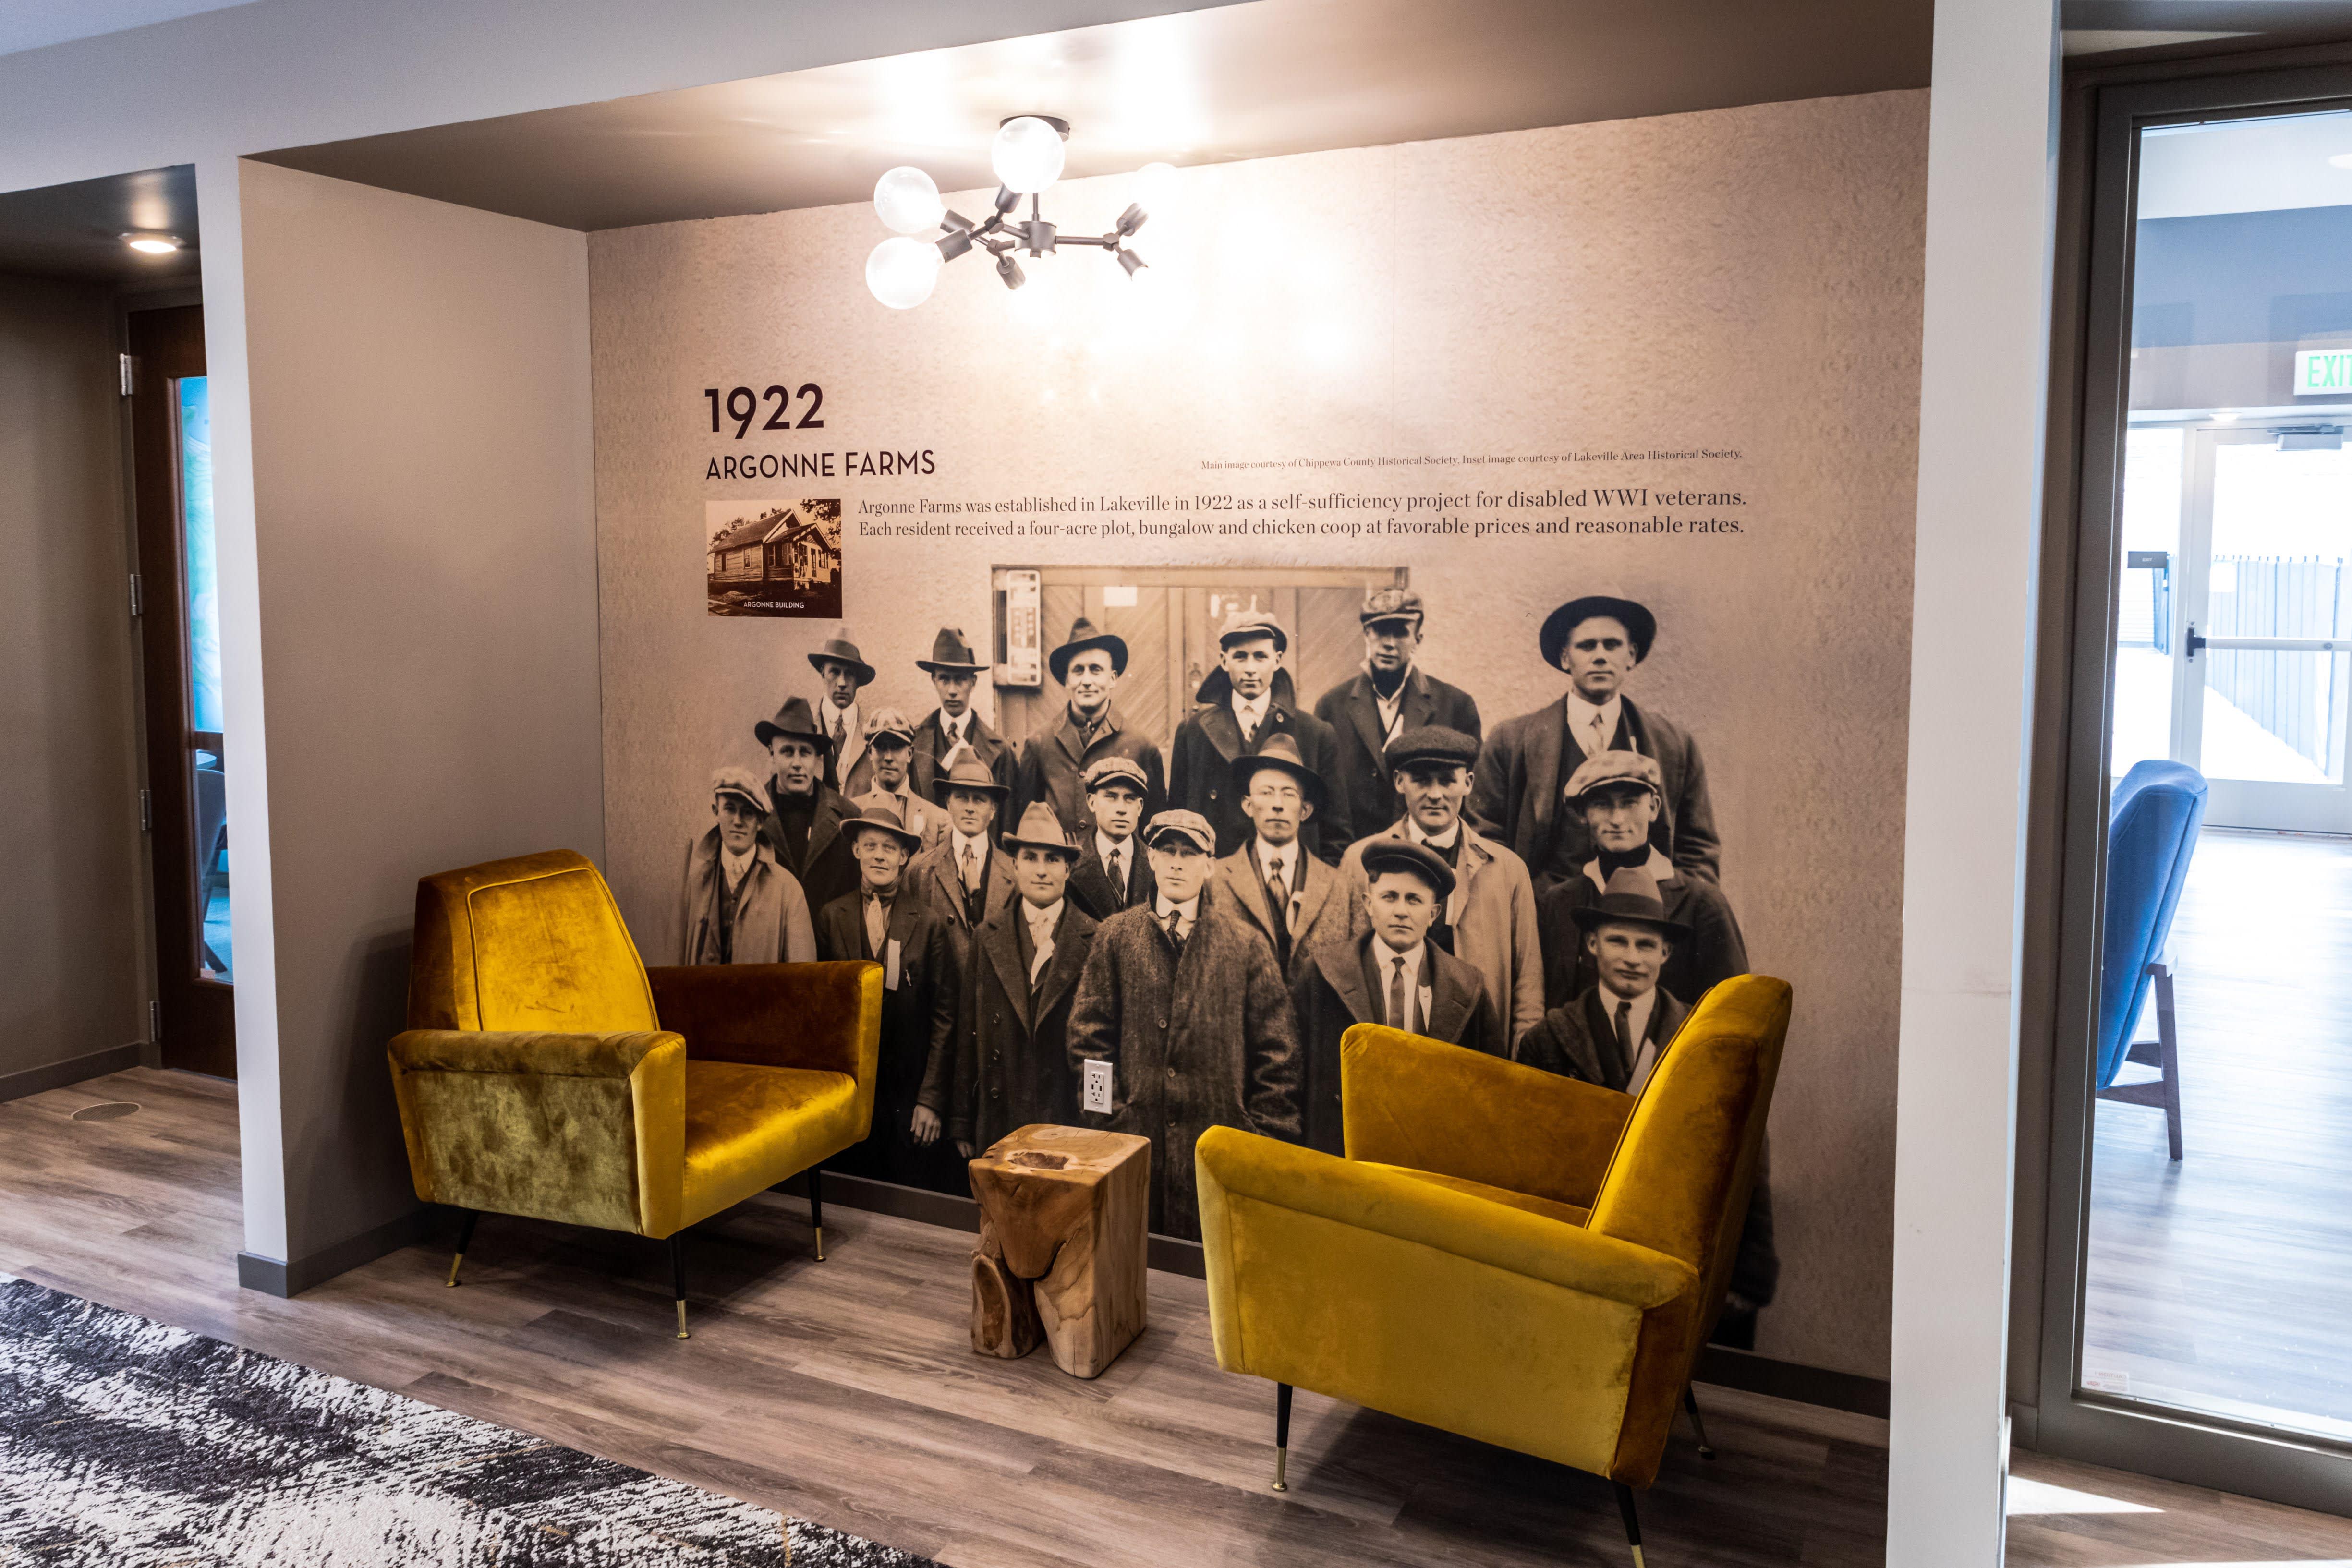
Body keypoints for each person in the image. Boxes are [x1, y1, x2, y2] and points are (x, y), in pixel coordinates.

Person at [1517, 866, 1778, 1345]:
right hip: (1579, 1247)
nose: (1632, 958)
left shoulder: (1705, 1039)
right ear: (1592, 944)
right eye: (1618, 941)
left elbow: (1746, 1150)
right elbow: (1527, 1159)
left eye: (1646, 945)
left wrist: (1749, 1270)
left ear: (1666, 952)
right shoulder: (1548, 1041)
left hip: (1672, 1248)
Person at [1066, 810, 1301, 1241]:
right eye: (1168, 851)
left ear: (1209, 866)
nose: (1177, 863)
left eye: (1190, 854)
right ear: (1151, 859)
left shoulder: (1245, 944)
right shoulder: (1116, 936)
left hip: (1218, 1156)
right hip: (1134, 1152)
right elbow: (1089, 1041)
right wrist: (1107, 1121)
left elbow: (1278, 1054)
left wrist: (1259, 1137)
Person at [1468, 594, 1721, 890]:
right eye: (1587, 646)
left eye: (1612, 645)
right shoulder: (1511, 741)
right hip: (1543, 908)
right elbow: (1484, 838)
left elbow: (1698, 850)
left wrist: (1680, 905)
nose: (1600, 657)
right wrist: (1515, 903)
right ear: (1566, 658)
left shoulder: (1674, 744)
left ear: (1631, 656)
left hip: (1644, 910)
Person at [1338, 725, 1545, 1049]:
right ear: (1399, 782)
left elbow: (1529, 985)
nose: (1435, 795)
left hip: (1478, 1048)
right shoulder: (1359, 861)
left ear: (1468, 783)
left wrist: (1520, 1064)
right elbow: (1342, 968)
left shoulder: (1507, 870)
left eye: (1448, 781)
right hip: (1387, 1043)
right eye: (1422, 780)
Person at [1291, 840, 1500, 1154]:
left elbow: (1491, 1090)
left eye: (1414, 900)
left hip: (1432, 1154)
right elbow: (1292, 1074)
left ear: (1433, 913)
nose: (1401, 911)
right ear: (1368, 904)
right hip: (1341, 1151)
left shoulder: (1468, 987)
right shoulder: (1323, 974)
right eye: (1389, 897)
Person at [934, 801, 1101, 1158]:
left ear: (1068, 869)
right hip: (1002, 1114)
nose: (1041, 870)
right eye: (1030, 857)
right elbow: (967, 1032)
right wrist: (963, 1119)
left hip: (1068, 1119)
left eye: (1052, 859)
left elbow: (1101, 1047)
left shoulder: (1096, 939)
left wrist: (1097, 1122)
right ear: (1014, 865)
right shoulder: (986, 937)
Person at [813, 804, 959, 1191]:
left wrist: (930, 1100)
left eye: (890, 848)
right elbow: (822, 1015)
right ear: (856, 850)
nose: (880, 856)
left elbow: (945, 1019)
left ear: (904, 857)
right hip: (849, 1091)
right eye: (871, 846)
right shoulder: (832, 917)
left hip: (907, 1098)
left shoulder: (927, 924)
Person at [1536, 750, 1747, 1010]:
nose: (1617, 820)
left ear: (1654, 808)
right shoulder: (1559, 902)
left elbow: (1733, 1010)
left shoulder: (1702, 903)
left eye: (1630, 803)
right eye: (1602, 804)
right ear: (1583, 813)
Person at [1167, 611, 1352, 863]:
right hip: (1214, 876)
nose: (1250, 669)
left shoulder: (1315, 734)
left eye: (1261, 657)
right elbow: (1176, 823)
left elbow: (1336, 836)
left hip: (1291, 879)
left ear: (1277, 660)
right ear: (1224, 661)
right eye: (1240, 657)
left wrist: (1316, 885)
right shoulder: (1193, 731)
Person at [1314, 587, 1482, 838]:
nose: (1390, 644)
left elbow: (1473, 798)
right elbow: (1323, 797)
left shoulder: (1456, 705)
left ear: (1418, 639)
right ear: (1367, 635)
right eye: (1381, 631)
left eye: (1401, 633)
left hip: (1427, 851)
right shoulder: (1331, 706)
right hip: (1353, 851)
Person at [1208, 734, 1347, 986]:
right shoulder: (1213, 880)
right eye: (1266, 793)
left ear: (1305, 810)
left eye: (1289, 794)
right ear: (1248, 806)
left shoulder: (1342, 888)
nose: (1278, 805)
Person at [1012, 616, 1167, 837]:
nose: (1086, 681)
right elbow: (1025, 824)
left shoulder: (1141, 747)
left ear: (1113, 679)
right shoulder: (1040, 743)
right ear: (1067, 680)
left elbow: (1153, 834)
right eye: (1078, 671)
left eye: (1096, 670)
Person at [679, 765, 817, 965]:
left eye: (747, 813)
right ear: (716, 812)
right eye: (729, 809)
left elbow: (803, 973)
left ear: (760, 822)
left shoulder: (788, 891)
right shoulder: (696, 883)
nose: (737, 821)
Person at [905, 753, 1017, 975]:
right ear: (948, 803)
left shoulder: (1014, 873)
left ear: (993, 809)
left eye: (979, 800)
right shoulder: (919, 871)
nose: (970, 808)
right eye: (962, 798)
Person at [753, 695, 859, 918]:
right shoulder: (751, 815)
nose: (797, 764)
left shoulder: (848, 817)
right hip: (770, 935)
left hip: (826, 938)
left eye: (805, 752)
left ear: (816, 758)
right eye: (787, 752)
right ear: (772, 753)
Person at [909, 626, 1015, 799]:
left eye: (960, 680)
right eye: (944, 679)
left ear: (973, 682)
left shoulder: (1002, 751)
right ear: (934, 680)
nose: (952, 691)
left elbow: (1007, 814)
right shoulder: (914, 743)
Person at [1066, 755, 1157, 920]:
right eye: (1111, 797)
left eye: (1129, 799)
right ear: (1092, 802)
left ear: (1140, 807)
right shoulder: (1071, 863)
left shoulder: (1158, 865)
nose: (1121, 809)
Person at [852, 708, 946, 850]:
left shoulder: (938, 820)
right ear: (870, 752)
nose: (888, 757)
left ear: (910, 754)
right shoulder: (852, 811)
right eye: (881, 747)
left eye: (897, 747)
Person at [807, 631, 880, 796]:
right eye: (834, 672)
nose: (842, 683)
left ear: (859, 680)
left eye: (850, 674)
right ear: (823, 673)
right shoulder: (804, 723)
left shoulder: (873, 733)